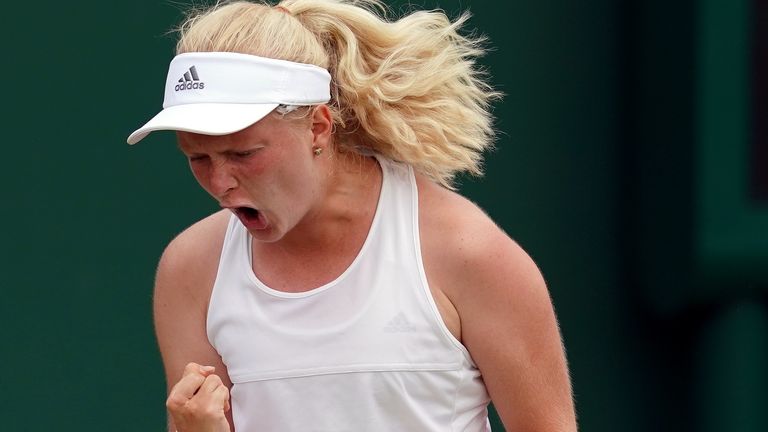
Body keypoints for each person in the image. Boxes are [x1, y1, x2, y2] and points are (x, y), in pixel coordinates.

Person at [127, 0, 577, 431]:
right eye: (197, 158)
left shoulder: (467, 253)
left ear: (318, 127)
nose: (220, 182)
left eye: (243, 153)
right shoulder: (190, 267)